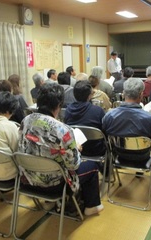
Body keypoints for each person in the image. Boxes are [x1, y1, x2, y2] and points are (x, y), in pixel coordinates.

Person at [19, 84, 103, 216]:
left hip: (28, 178)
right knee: (92, 166)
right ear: (59, 105)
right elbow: (73, 165)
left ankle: (52, 202)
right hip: (55, 183)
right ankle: (91, 206)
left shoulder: (26, 120)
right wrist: (77, 150)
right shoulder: (62, 129)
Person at [102, 78, 151, 165]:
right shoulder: (149, 118)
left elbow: (105, 133)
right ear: (141, 95)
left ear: (123, 93)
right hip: (142, 155)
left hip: (119, 153)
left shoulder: (109, 115)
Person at [64, 80, 106, 156]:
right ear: (89, 95)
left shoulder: (67, 110)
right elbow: (105, 131)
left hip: (76, 149)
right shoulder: (98, 111)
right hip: (96, 150)